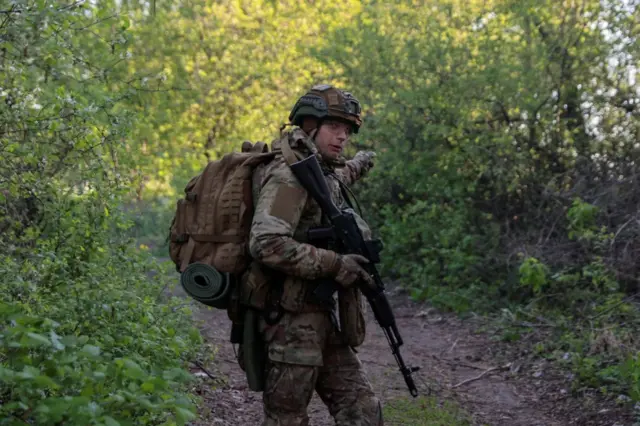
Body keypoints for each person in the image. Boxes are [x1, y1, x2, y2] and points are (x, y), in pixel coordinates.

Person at [241, 84, 383, 425]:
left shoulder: (320, 171)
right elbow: (266, 243)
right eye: (335, 127)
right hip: (290, 323)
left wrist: (361, 164)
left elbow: (336, 182)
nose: (343, 137)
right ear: (309, 125)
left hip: (323, 319)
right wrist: (335, 264)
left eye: (347, 130)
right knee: (287, 419)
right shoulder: (290, 176)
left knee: (363, 411)